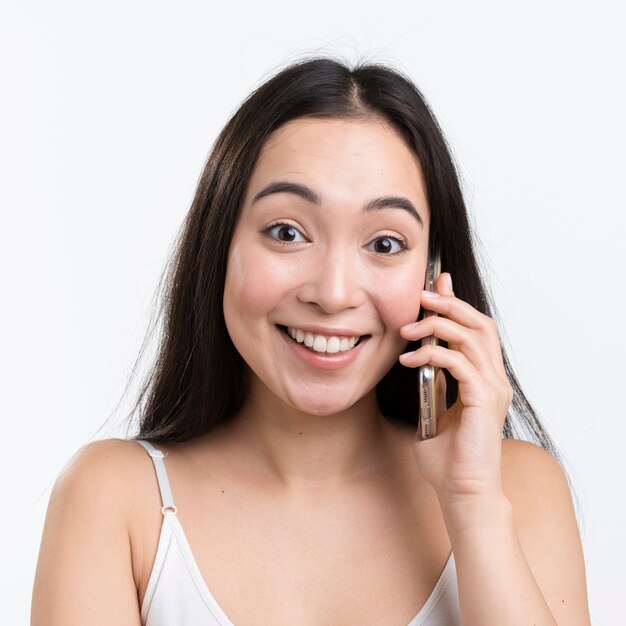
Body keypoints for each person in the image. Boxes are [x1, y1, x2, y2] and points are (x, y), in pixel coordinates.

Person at [31, 56, 591, 625]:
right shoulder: (117, 502)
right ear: (221, 246)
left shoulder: (514, 487)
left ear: (433, 274)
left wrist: (471, 503)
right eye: (287, 232)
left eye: (385, 244)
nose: (333, 292)